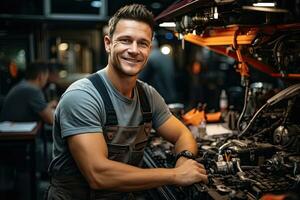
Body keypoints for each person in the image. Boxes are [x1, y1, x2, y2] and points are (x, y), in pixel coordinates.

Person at [47, 4, 207, 200]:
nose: (134, 50)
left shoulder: (148, 96)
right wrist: (175, 174)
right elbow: (98, 174)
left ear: (150, 47)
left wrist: (185, 159)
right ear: (108, 43)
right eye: (125, 40)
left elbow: (182, 133)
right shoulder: (82, 96)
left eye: (142, 43)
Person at [139, 37, 177, 103]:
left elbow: (140, 78)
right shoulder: (167, 57)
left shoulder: (150, 58)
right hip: (171, 95)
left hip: (159, 97)